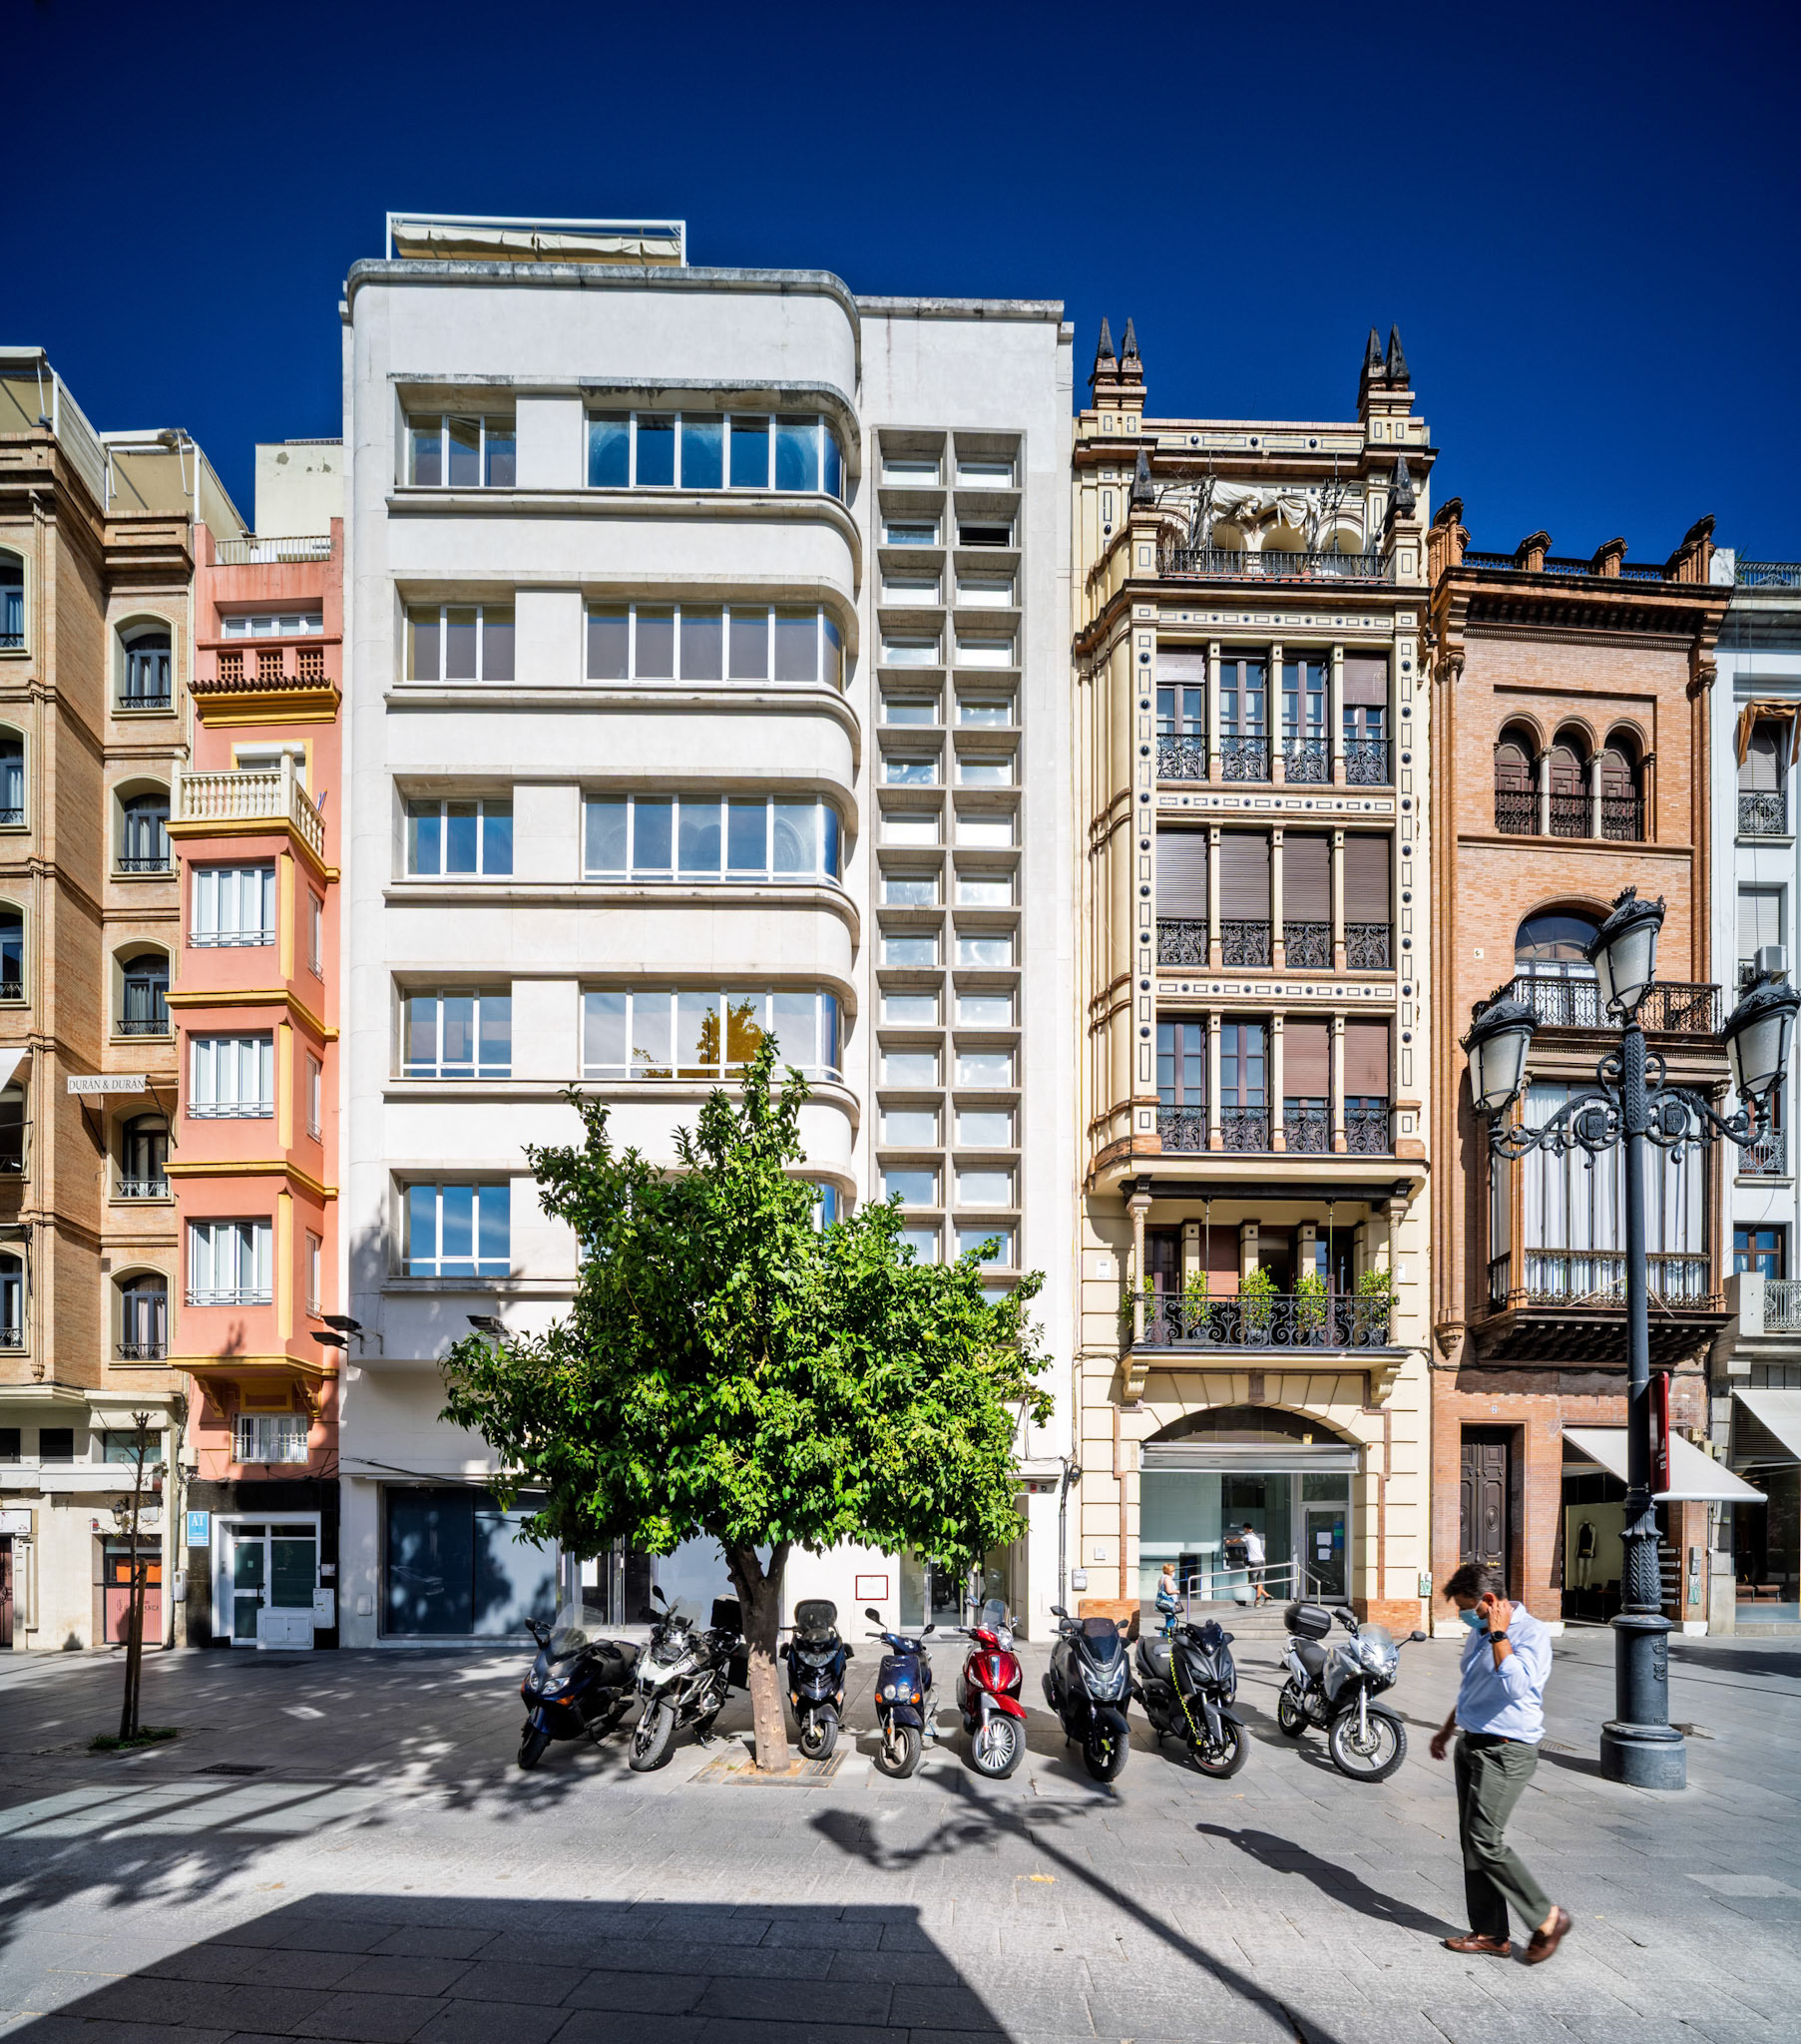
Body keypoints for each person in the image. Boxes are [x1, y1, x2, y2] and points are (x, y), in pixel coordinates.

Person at [1429, 1563, 1573, 1965]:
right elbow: (1474, 1686)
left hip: (1507, 1750)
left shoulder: (1530, 1634)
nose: (1464, 1616)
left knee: (1485, 1840)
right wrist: (1446, 1729)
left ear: (1490, 1602)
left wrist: (1498, 1633)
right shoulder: (1480, 1632)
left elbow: (1514, 1684)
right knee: (1472, 1844)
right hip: (1471, 1743)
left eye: (1467, 1608)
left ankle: (1547, 1916)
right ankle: (1491, 1933)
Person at [1240, 1521, 1268, 1603]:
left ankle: (1259, 1600)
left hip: (1254, 1562)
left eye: (1244, 1529)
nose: (1244, 1531)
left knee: (1251, 1582)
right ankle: (1265, 1597)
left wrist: (1228, 1542)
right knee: (1260, 1581)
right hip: (1262, 1561)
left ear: (1247, 1529)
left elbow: (1237, 1541)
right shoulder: (1257, 1538)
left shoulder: (1247, 1536)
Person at [1154, 1561, 1179, 1634]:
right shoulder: (1167, 1578)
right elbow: (1169, 1591)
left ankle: (1162, 1635)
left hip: (1164, 1602)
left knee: (1169, 1619)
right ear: (1170, 1571)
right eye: (1173, 1571)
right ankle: (1165, 1636)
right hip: (1169, 1602)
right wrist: (1177, 1591)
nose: (1174, 1572)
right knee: (1171, 1621)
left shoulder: (1161, 1578)